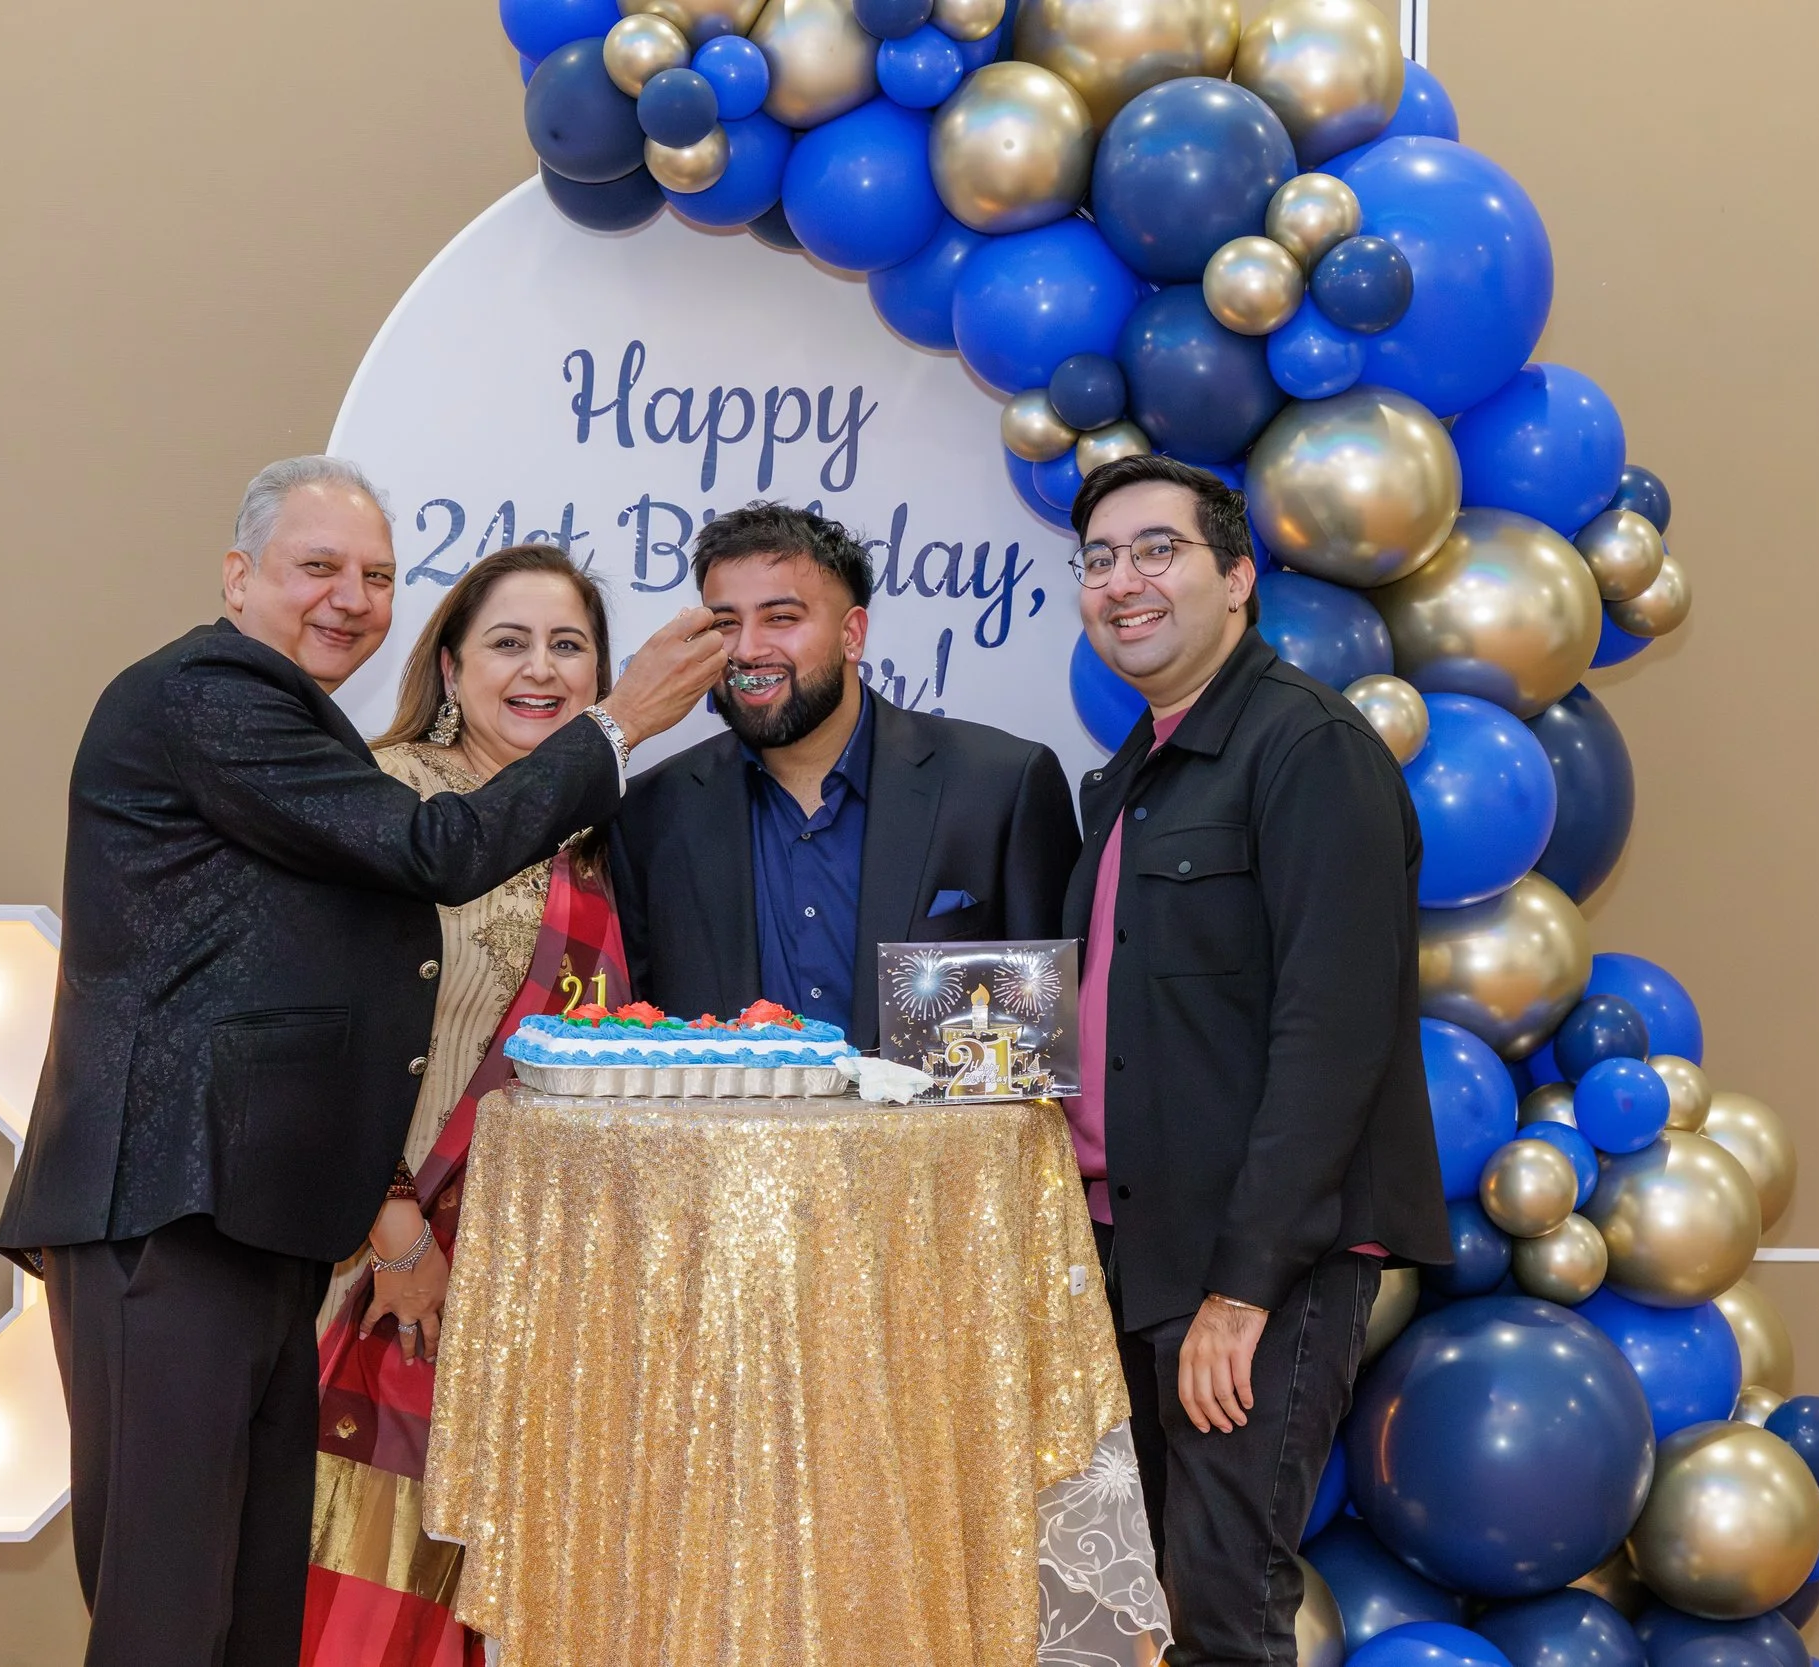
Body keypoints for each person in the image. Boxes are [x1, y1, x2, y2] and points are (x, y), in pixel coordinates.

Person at [0, 457, 723, 1667]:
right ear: (239, 577)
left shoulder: (293, 723)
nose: (350, 598)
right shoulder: (211, 693)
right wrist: (622, 718)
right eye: (316, 568)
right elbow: (439, 846)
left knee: (250, 1611)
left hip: (257, 1224)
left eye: (376, 575)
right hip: (167, 1211)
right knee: (170, 1615)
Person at [1060, 454, 1451, 1666]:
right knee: (1140, 1613)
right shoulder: (1132, 772)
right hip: (1134, 1251)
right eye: (1099, 559)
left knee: (1224, 1614)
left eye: (1156, 550)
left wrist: (1243, 1289)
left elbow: (1331, 1036)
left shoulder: (1308, 748)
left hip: (1250, 1268)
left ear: (1237, 577)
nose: (1123, 580)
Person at [301, 543, 635, 1667]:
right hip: (385, 1273)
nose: (539, 669)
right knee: (369, 1598)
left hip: (538, 1298)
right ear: (449, 667)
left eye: (568, 646)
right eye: (508, 641)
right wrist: (396, 1232)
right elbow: (320, 1033)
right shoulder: (386, 797)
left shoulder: (601, 846)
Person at [611, 500, 1080, 1047]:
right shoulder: (652, 813)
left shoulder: (1001, 786)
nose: (748, 649)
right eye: (725, 624)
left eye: (781, 618)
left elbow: (1050, 1043)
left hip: (937, 1135)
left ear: (852, 635)